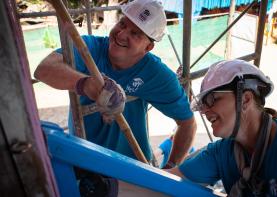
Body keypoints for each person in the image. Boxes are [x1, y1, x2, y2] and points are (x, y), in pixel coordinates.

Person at [34, 0, 196, 167]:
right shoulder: (90, 48)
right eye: (122, 23)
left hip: (132, 167)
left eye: (135, 33)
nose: (121, 34)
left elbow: (188, 123)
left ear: (148, 47)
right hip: (83, 160)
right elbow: (44, 69)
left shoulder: (155, 74)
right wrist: (86, 84)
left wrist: (170, 168)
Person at [168, 59, 277, 196]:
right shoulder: (224, 151)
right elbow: (166, 180)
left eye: (212, 100)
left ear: (245, 99)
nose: (204, 111)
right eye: (203, 104)